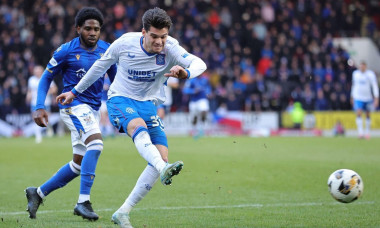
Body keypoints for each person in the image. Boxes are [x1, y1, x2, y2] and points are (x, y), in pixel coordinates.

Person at [56, 7, 207, 228]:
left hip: (148, 104)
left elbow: (199, 63)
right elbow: (100, 67)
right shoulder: (125, 43)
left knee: (162, 156)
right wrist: (74, 92)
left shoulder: (171, 46)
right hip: (120, 99)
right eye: (154, 36)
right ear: (143, 32)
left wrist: (186, 73)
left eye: (163, 37)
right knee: (140, 130)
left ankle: (123, 211)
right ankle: (163, 168)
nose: (159, 42)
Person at [25, 7, 117, 221]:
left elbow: (116, 80)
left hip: (93, 110)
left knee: (78, 164)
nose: (92, 32)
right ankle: (83, 202)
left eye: (96, 29)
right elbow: (46, 78)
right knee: (96, 144)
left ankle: (37, 193)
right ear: (78, 29)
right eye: (88, 28)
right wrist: (39, 106)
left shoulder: (107, 50)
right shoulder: (66, 50)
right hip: (73, 106)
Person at [26, 65, 57, 143]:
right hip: (34, 103)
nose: (37, 72)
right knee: (35, 118)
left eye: (39, 71)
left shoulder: (47, 78)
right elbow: (30, 90)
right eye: (36, 71)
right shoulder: (31, 80)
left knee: (47, 118)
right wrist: (28, 96)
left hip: (46, 102)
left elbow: (54, 89)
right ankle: (38, 136)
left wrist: (45, 93)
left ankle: (49, 129)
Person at [350, 61, 379, 139]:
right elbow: (354, 86)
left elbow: (374, 86)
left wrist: (376, 97)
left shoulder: (370, 74)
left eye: (363, 66)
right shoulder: (355, 74)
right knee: (358, 112)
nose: (362, 67)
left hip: (368, 98)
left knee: (367, 114)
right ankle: (360, 132)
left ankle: (367, 132)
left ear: (365, 66)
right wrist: (352, 96)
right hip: (358, 97)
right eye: (361, 66)